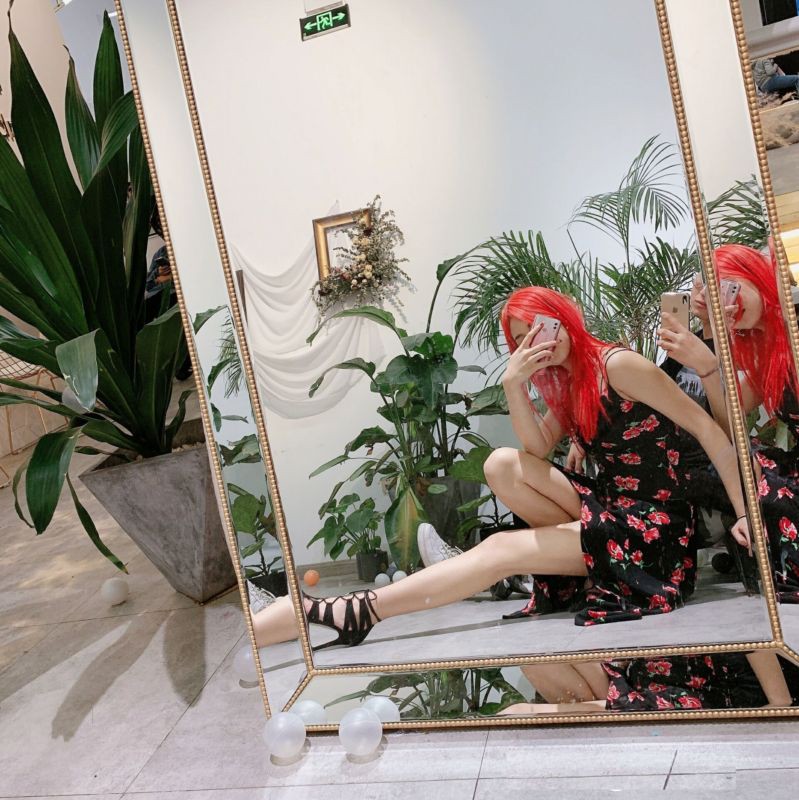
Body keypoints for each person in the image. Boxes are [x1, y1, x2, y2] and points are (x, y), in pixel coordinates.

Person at [251, 287, 750, 649]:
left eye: (542, 327)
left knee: (501, 548)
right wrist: (515, 384)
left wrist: (744, 511)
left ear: (562, 317)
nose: (538, 342)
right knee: (500, 464)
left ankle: (360, 610)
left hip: (654, 530)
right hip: (613, 507)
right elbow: (534, 451)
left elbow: (709, 431)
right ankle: (570, 560)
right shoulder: (569, 379)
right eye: (522, 339)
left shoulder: (617, 365)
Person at [660, 243, 799, 603]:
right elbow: (730, 422)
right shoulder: (758, 347)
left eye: (732, 287)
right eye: (718, 292)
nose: (730, 301)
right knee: (752, 467)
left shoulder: (791, 320)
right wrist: (708, 358)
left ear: (758, 276)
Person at [500, 650, 799, 714]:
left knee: (522, 714)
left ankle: (605, 717)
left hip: (702, 697)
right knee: (536, 663)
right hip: (664, 672)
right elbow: (758, 638)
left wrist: (779, 703)